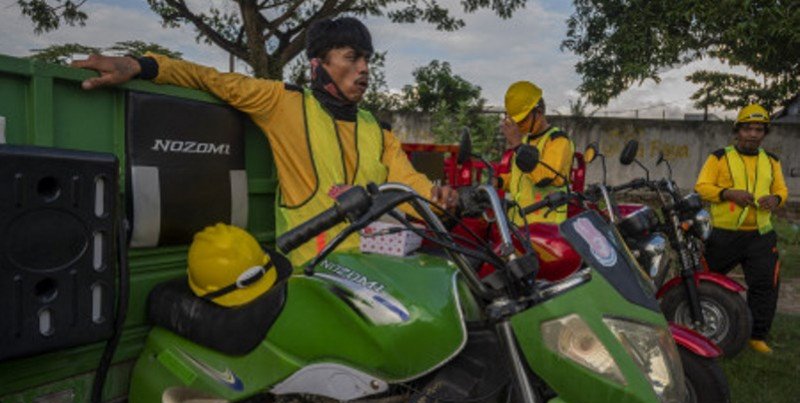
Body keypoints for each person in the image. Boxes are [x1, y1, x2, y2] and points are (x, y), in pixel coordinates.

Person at [72, 17, 458, 265]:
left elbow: (410, 184)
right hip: (314, 272)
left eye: (367, 61)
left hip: (378, 266)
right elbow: (212, 80)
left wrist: (439, 199)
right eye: (352, 58)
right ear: (317, 65)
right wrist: (142, 65)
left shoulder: (379, 129)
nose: (364, 70)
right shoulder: (284, 103)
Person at [694, 103, 788, 353]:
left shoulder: (772, 161)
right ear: (738, 131)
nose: (753, 134)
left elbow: (781, 190)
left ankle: (757, 336)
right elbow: (702, 187)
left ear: (764, 134)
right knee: (705, 282)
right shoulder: (719, 157)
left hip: (761, 236)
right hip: (723, 235)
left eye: (759, 129)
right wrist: (727, 193)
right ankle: (699, 327)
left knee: (764, 286)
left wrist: (776, 199)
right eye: (748, 129)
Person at [500, 80, 574, 225]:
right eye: (516, 122)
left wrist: (516, 145)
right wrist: (500, 181)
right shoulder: (526, 141)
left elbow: (543, 178)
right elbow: (520, 178)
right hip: (520, 225)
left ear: (538, 112)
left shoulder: (558, 141)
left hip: (546, 227)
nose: (519, 126)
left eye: (522, 120)